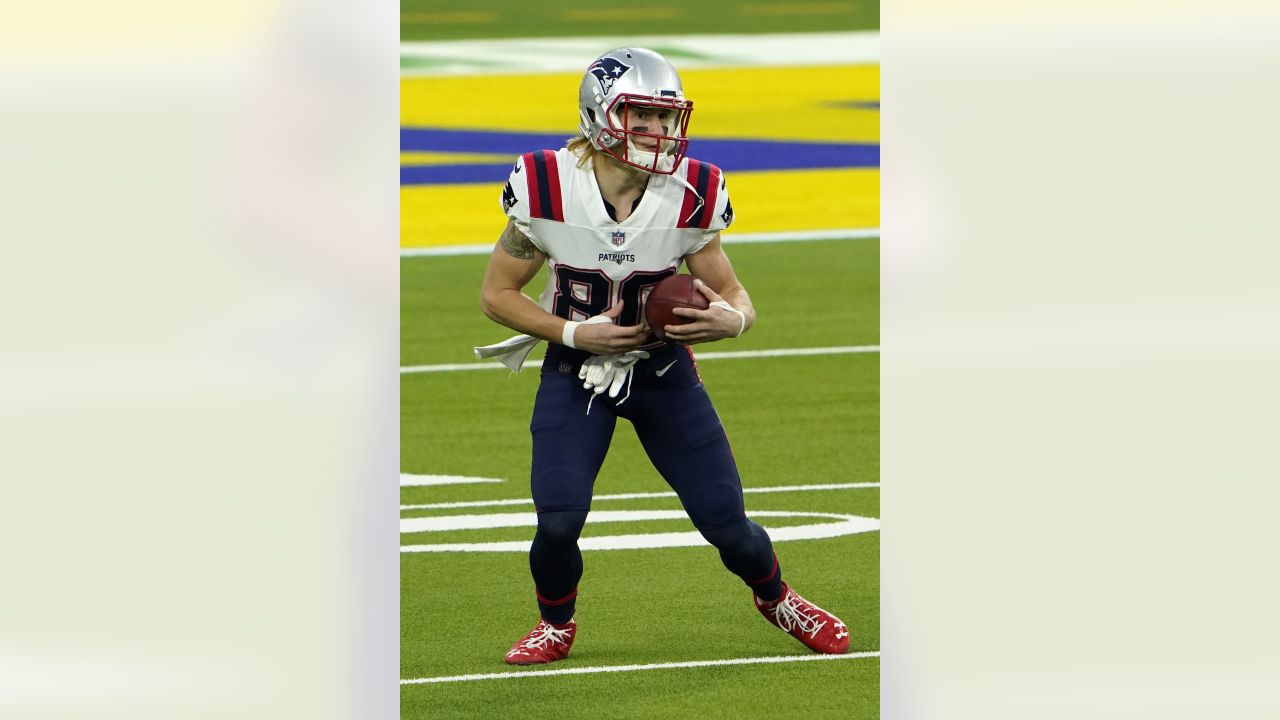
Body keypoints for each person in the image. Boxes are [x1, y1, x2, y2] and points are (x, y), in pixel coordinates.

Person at [477, 47, 849, 665]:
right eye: (641, 116)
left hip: (663, 372)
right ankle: (555, 624)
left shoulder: (692, 191)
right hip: (577, 373)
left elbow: (731, 293)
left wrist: (732, 321)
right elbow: (496, 295)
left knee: (729, 526)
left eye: (666, 118)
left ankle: (776, 596)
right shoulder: (547, 183)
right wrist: (572, 335)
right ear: (598, 116)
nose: (658, 132)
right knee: (558, 520)